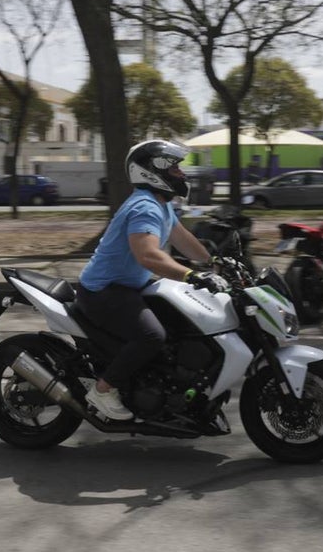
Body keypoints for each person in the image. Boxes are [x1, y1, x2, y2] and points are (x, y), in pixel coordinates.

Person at [76, 139, 227, 422]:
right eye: (175, 169)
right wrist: (191, 275)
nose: (181, 173)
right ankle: (103, 390)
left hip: (129, 286)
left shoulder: (161, 204)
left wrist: (214, 262)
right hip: (104, 291)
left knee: (180, 325)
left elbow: (183, 239)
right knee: (152, 336)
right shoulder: (144, 207)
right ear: (152, 172)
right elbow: (148, 256)